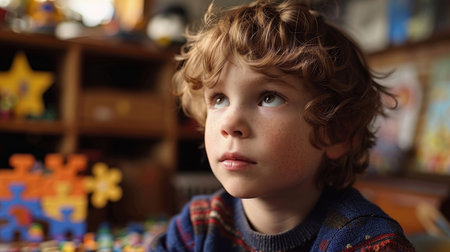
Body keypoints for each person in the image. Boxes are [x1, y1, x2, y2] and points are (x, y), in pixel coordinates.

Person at [151, 0, 415, 251]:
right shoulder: (198, 225)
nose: (230, 123)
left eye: (269, 97)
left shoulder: (364, 241)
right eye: (219, 99)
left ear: (337, 133)